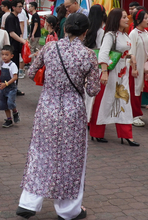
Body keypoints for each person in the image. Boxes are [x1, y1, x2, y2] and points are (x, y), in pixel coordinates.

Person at [16, 13, 100, 220]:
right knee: (71, 158)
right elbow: (93, 90)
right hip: (73, 110)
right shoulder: (89, 55)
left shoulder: (50, 48)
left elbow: (30, 72)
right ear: (85, 31)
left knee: (41, 152)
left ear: (65, 29)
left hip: (47, 107)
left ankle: (28, 202)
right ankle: (68, 209)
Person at [90, 8, 139, 146]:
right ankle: (96, 132)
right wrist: (104, 72)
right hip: (111, 72)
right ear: (116, 19)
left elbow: (125, 52)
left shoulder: (124, 35)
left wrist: (131, 57)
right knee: (104, 101)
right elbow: (103, 54)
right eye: (123, 17)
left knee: (124, 101)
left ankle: (127, 135)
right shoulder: (110, 35)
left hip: (122, 72)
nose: (127, 19)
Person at [128, 8, 148, 127]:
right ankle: (134, 115)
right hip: (135, 66)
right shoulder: (133, 34)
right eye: (146, 18)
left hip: (142, 66)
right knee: (135, 90)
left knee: (140, 89)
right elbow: (131, 52)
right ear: (138, 20)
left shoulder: (145, 32)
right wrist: (134, 67)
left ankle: (136, 113)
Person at [5, 0, 27, 94]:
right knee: (12, 69)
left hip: (16, 47)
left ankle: (14, 87)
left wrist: (22, 39)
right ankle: (11, 88)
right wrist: (22, 40)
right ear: (13, 7)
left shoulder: (16, 17)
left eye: (22, 6)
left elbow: (17, 32)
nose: (21, 8)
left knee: (15, 68)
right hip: (12, 47)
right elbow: (12, 33)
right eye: (19, 6)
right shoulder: (10, 18)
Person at [0, 45, 20, 128]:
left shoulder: (12, 65)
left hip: (11, 87)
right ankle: (9, 119)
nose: (4, 56)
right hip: (3, 88)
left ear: (11, 56)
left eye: (6, 54)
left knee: (10, 102)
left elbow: (15, 77)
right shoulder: (2, 64)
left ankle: (15, 111)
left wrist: (6, 83)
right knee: (4, 104)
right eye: (3, 54)